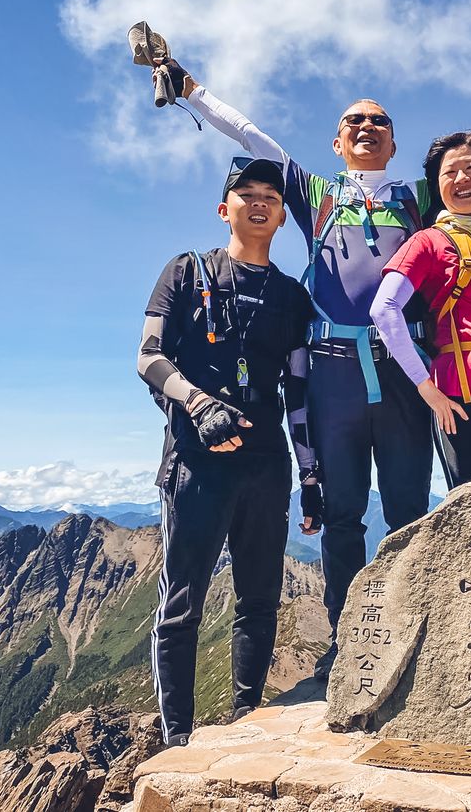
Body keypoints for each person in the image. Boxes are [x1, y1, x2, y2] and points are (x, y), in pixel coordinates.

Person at [151, 54, 471, 679]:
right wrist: (193, 92)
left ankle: (411, 632)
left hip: (403, 369)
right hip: (333, 369)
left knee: (409, 506)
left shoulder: (420, 197)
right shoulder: (316, 195)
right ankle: (348, 641)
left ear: (393, 141)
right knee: (341, 515)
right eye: (352, 121)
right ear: (337, 142)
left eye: (378, 121)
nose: (365, 127)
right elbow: (253, 136)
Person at [138, 157, 321, 745]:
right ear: (226, 209)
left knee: (260, 599)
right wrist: (199, 404)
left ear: (283, 216)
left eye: (272, 194)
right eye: (247, 193)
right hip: (194, 462)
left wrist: (311, 475)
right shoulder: (186, 272)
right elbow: (148, 358)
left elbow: (297, 390)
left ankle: (245, 725)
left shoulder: (292, 297)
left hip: (268, 467)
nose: (260, 201)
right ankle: (177, 743)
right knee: (182, 604)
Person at [369, 129, 471, 488]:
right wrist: (426, 388)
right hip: (458, 396)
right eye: (449, 172)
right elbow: (384, 309)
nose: (462, 178)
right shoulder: (428, 241)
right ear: (437, 185)